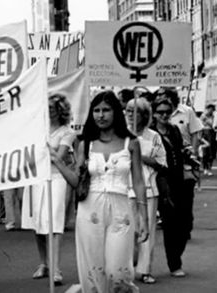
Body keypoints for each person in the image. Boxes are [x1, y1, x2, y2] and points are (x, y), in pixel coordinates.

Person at [70, 91, 148, 292]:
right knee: (93, 269)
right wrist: (56, 162)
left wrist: (144, 218)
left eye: (106, 110)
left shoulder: (131, 143)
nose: (100, 115)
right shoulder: (85, 144)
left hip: (121, 211)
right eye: (96, 110)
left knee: (117, 271)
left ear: (116, 112)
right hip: (89, 210)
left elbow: (139, 181)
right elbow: (76, 182)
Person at [22, 93, 75, 286]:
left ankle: (56, 267)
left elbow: (58, 157)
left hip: (57, 179)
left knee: (55, 222)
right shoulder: (38, 129)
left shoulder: (67, 132)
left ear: (60, 111)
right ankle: (43, 263)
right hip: (37, 179)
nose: (49, 111)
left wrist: (42, 148)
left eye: (52, 108)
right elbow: (28, 154)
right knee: (38, 223)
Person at [125, 98, 167, 284]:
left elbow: (162, 163)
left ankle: (145, 270)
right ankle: (126, 267)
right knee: (126, 231)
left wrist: (140, 157)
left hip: (148, 190)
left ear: (145, 115)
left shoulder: (154, 136)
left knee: (146, 231)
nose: (130, 115)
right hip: (123, 189)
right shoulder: (120, 135)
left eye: (135, 111)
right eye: (128, 110)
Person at [155, 88, 201, 240]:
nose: (164, 115)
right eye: (160, 112)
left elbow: (195, 133)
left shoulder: (186, 112)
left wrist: (192, 152)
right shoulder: (153, 125)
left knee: (185, 199)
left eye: (163, 95)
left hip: (182, 163)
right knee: (167, 200)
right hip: (162, 167)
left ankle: (185, 227)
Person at [150, 98, 190, 277]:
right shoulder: (150, 133)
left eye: (168, 111)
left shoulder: (174, 130)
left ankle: (177, 254)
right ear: (154, 114)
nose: (164, 115)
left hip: (180, 180)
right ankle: (174, 263)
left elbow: (179, 151)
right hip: (162, 182)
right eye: (160, 112)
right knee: (171, 223)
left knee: (185, 223)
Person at [200, 104, 215, 176]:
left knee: (211, 152)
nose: (210, 111)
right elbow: (200, 125)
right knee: (205, 152)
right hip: (204, 133)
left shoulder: (214, 116)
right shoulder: (203, 116)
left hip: (211, 133)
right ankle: (205, 168)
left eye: (212, 109)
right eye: (209, 109)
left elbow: (213, 125)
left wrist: (208, 123)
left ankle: (209, 168)